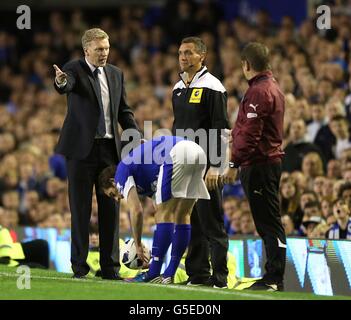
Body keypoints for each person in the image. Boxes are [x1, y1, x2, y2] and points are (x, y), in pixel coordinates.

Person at [53, 28, 142, 280]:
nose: (104, 53)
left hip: (109, 151)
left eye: (106, 48)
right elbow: (65, 83)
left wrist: (134, 133)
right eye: (99, 49)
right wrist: (60, 81)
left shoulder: (116, 74)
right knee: (80, 208)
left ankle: (110, 268)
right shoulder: (74, 68)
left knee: (111, 208)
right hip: (81, 151)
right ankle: (79, 267)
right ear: (86, 51)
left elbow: (124, 110)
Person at [99, 136, 211, 285]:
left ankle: (153, 273)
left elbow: (136, 210)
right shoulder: (144, 175)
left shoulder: (121, 171)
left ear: (113, 181)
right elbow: (157, 204)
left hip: (177, 153)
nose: (117, 198)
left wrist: (138, 244)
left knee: (165, 214)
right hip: (198, 152)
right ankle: (169, 274)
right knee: (182, 215)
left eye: (113, 194)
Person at [223, 42, 286, 291]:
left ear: (246, 65)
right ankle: (273, 275)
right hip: (266, 163)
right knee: (268, 220)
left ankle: (273, 277)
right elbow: (252, 130)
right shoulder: (273, 88)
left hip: (259, 165)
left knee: (268, 222)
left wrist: (232, 163)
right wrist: (236, 133)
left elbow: (252, 136)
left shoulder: (258, 92)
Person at [171, 36, 229, 288]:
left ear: (202, 57)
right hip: (185, 166)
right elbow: (177, 128)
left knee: (211, 221)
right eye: (181, 53)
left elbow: (221, 129)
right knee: (191, 219)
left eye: (189, 53)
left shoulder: (213, 86)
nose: (183, 57)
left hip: (207, 167)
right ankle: (198, 274)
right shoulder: (178, 88)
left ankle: (220, 277)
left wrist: (217, 165)